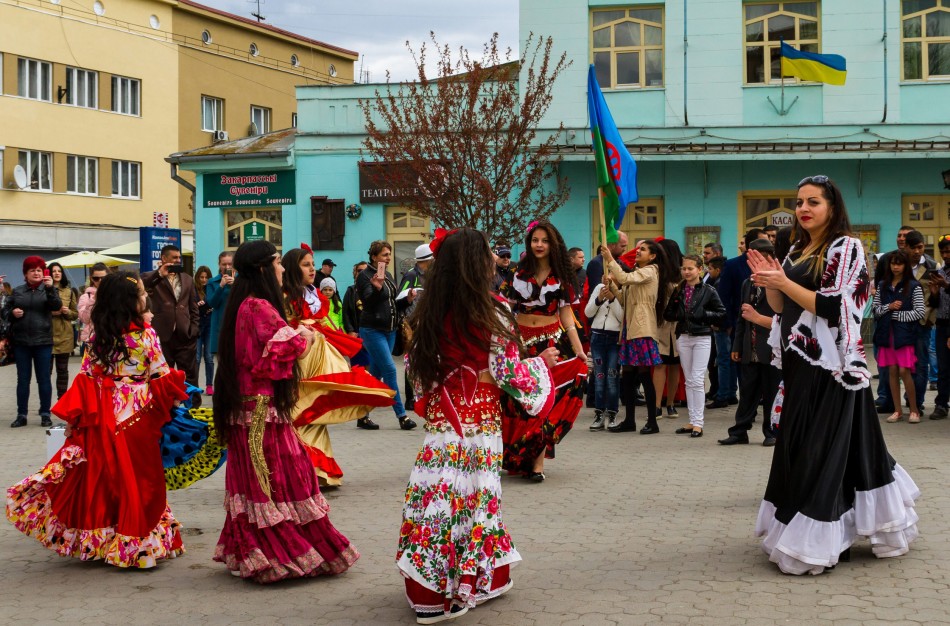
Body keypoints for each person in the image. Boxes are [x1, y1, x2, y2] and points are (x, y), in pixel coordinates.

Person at [749, 174, 920, 575]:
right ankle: (825, 527)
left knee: (821, 449)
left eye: (813, 202)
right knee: (820, 446)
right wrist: (770, 282)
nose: (803, 209)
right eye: (799, 202)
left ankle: (819, 538)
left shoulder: (846, 247)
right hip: (798, 361)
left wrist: (783, 281)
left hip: (830, 366)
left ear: (832, 207)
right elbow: (781, 307)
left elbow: (833, 308)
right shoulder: (797, 248)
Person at [398, 227, 556, 623]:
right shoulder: (494, 309)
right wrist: (541, 366)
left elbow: (415, 371)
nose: (492, 259)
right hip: (481, 424)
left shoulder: (429, 308)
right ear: (475, 261)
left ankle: (431, 586)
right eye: (486, 253)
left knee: (437, 496)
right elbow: (506, 372)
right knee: (474, 498)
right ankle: (463, 585)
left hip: (443, 423)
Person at [6, 271, 189, 567]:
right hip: (138, 414)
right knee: (141, 479)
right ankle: (137, 545)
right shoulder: (145, 335)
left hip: (103, 413)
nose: (146, 297)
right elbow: (161, 376)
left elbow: (86, 377)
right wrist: (179, 399)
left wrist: (75, 420)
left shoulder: (98, 336)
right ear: (129, 302)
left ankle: (109, 541)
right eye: (142, 294)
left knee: (109, 478)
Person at [212, 240, 359, 582]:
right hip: (262, 412)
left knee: (259, 480)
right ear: (264, 268)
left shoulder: (244, 303)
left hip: (250, 409)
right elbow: (290, 346)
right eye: (277, 262)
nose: (281, 269)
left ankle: (256, 549)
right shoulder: (259, 306)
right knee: (279, 478)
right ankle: (278, 553)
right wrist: (306, 334)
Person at [281, 245, 389, 486]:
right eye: (306, 265)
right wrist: (302, 329)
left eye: (312, 264)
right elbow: (285, 326)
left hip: (319, 352)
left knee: (316, 409)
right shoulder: (285, 295)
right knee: (303, 409)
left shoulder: (311, 293)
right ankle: (303, 471)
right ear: (292, 269)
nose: (312, 269)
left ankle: (319, 471)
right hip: (301, 355)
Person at [501, 220, 587, 482]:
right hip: (520, 342)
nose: (539, 245)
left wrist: (579, 350)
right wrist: (505, 340)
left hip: (551, 342)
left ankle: (537, 463)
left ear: (553, 244)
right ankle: (521, 455)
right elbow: (506, 309)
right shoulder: (517, 273)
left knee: (545, 400)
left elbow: (567, 317)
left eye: (545, 241)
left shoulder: (562, 276)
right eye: (535, 240)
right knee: (519, 400)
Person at [718, 239, 781, 446]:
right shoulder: (748, 283)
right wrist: (737, 345)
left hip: (772, 349)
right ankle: (739, 431)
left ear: (768, 258)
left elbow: (783, 317)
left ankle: (772, 432)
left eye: (757, 258)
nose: (751, 263)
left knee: (771, 392)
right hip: (749, 347)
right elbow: (741, 316)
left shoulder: (779, 282)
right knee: (747, 392)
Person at [601, 239, 666, 434]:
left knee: (644, 375)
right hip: (630, 329)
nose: (638, 251)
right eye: (638, 248)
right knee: (628, 375)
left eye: (643, 250)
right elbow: (623, 300)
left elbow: (625, 278)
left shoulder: (650, 271)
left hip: (642, 329)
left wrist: (610, 259)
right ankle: (629, 420)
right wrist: (612, 286)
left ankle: (653, 421)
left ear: (652, 256)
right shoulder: (638, 272)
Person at [662, 254, 725, 438]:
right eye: (684, 268)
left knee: (697, 379)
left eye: (690, 268)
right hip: (683, 336)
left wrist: (703, 315)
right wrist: (680, 314)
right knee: (689, 380)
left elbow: (721, 313)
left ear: (700, 269)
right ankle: (692, 420)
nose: (686, 272)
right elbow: (668, 314)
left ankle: (698, 423)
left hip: (702, 337)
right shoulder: (679, 290)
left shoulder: (708, 290)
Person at [356, 240, 417, 430]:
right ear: (374, 257)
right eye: (384, 255)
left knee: (377, 374)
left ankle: (362, 415)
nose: (388, 258)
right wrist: (376, 288)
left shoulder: (387, 275)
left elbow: (392, 303)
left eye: (389, 254)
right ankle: (402, 416)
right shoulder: (364, 276)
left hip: (390, 330)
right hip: (372, 330)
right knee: (390, 370)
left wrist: (407, 301)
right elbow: (368, 302)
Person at [710, 228, 771, 408]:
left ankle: (760, 400)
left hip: (766, 323)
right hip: (740, 323)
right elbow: (724, 295)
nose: (767, 244)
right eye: (763, 240)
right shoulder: (733, 265)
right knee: (736, 364)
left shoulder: (773, 264)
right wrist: (727, 323)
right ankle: (737, 400)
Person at [3, 256, 62, 427]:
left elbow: (56, 306)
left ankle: (45, 413)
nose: (36, 273)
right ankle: (21, 414)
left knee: (43, 379)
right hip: (21, 342)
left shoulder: (48, 289)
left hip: (43, 341)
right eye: (32, 270)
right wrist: (12, 313)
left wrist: (50, 289)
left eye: (39, 270)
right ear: (25, 274)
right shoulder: (18, 291)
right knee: (23, 380)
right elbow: (4, 311)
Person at [873, 249, 925, 423]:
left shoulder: (914, 286)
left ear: (905, 265)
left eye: (899, 264)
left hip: (905, 334)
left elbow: (919, 312)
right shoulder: (882, 285)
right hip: (886, 333)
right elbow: (875, 310)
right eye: (893, 263)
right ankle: (897, 410)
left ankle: (914, 410)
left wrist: (895, 315)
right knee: (892, 371)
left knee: (904, 370)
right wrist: (889, 307)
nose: (895, 267)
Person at [142, 245, 199, 394]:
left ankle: (192, 404)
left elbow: (193, 307)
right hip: (162, 335)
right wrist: (160, 274)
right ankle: (167, 405)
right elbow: (142, 285)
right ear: (164, 258)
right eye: (174, 257)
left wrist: (194, 329)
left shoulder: (187, 279)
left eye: (179, 257)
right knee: (163, 375)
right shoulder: (152, 277)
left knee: (189, 376)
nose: (178, 260)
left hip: (185, 335)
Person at [585, 271, 624, 430]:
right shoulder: (599, 288)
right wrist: (599, 299)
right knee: (599, 377)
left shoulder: (623, 291)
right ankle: (599, 413)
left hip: (614, 338)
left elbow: (622, 317)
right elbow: (588, 312)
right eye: (606, 272)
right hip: (597, 337)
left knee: (612, 377)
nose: (607, 276)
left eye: (612, 273)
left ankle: (612, 413)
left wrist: (613, 299)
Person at [398, 243, 433, 412]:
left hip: (428, 323)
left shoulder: (432, 276)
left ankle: (425, 394)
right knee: (411, 361)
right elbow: (399, 299)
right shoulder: (411, 276)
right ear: (425, 261)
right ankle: (410, 398)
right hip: (412, 325)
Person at [654, 238, 683, 417]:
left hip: (677, 326)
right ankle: (658, 405)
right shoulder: (656, 272)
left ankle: (670, 403)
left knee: (674, 365)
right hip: (660, 325)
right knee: (661, 364)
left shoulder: (681, 273)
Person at [48, 262, 79, 399]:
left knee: (62, 371)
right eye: (54, 271)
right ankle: (46, 401)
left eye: (59, 271)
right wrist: (51, 313)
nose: (57, 273)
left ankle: (62, 401)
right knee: (45, 373)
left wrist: (67, 312)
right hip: (47, 335)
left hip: (65, 336)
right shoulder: (43, 290)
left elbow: (75, 314)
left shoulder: (69, 291)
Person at [929, 234, 950, 420]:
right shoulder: (941, 271)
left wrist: (946, 285)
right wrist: (935, 293)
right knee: (943, 367)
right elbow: (936, 304)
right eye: (942, 252)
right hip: (942, 324)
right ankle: (941, 404)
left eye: (948, 251)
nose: (945, 255)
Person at [205, 251, 235, 363]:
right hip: (219, 326)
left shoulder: (241, 281)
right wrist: (221, 286)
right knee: (222, 364)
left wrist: (235, 285)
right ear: (219, 264)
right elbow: (211, 303)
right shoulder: (212, 282)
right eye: (224, 264)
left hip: (237, 325)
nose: (227, 267)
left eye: (230, 264)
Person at [77, 263, 108, 353]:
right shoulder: (86, 297)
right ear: (91, 279)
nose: (100, 280)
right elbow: (85, 319)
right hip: (91, 339)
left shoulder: (114, 294)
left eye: (103, 278)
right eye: (96, 278)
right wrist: (94, 299)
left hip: (111, 337)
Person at [194, 265, 215, 395]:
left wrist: (211, 307)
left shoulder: (212, 288)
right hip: (197, 325)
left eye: (206, 277)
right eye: (201, 277)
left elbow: (216, 302)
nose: (204, 280)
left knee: (209, 357)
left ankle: (209, 385)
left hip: (209, 324)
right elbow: (189, 306)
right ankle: (195, 385)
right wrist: (197, 306)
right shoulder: (193, 290)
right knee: (196, 358)